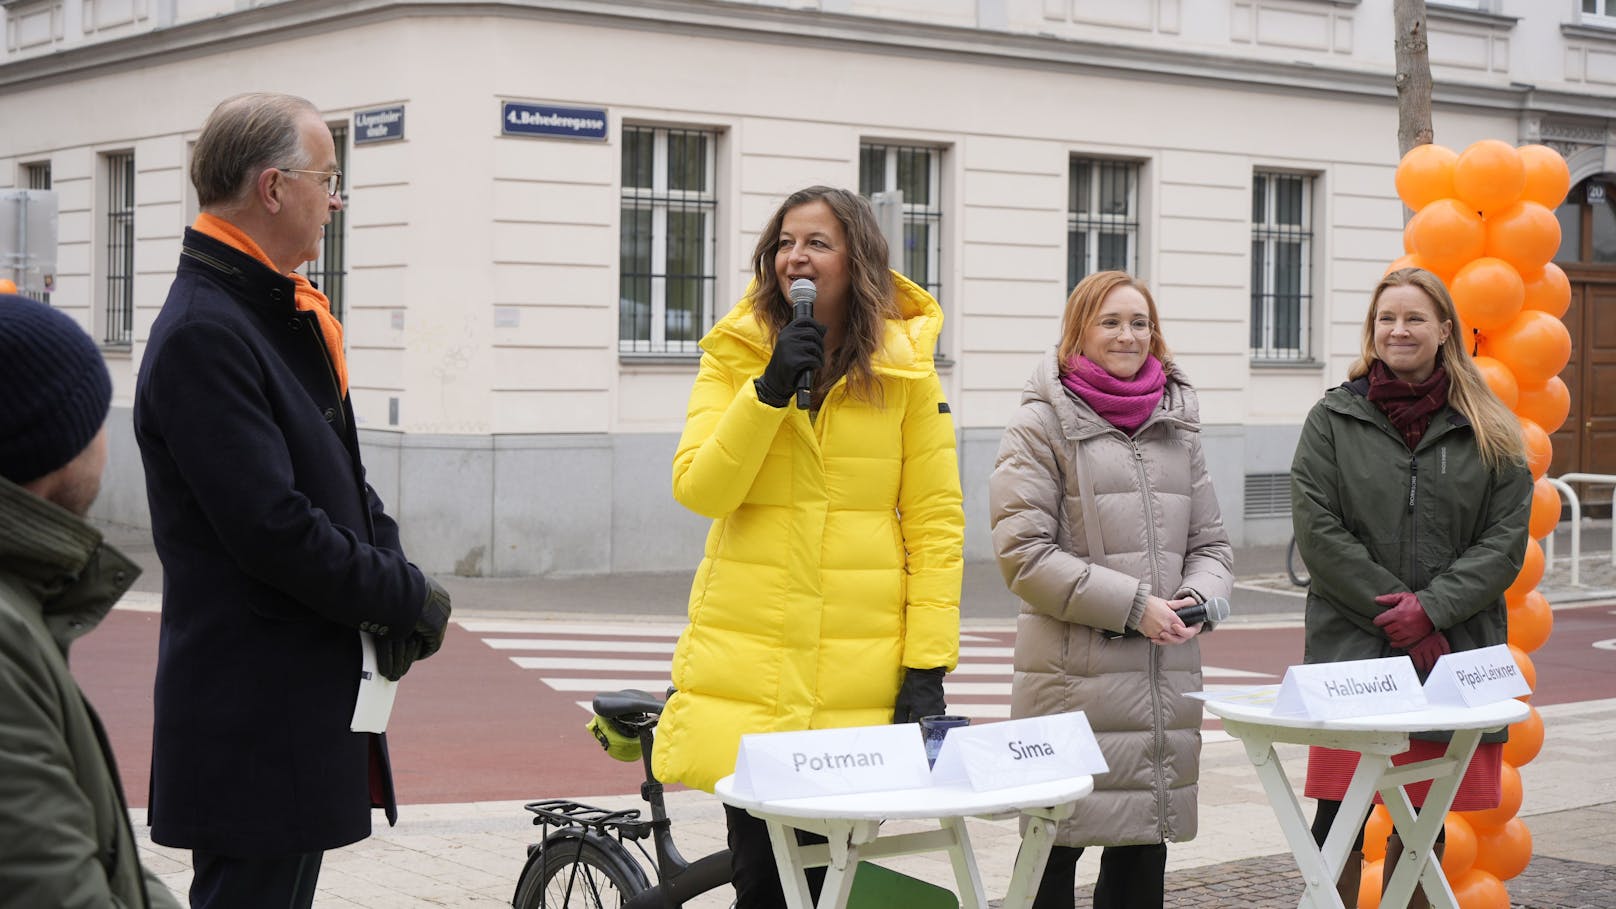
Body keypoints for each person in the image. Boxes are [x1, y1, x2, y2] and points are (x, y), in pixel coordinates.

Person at [134, 93, 451, 909]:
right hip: (252, 713)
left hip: (287, 702)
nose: (335, 201)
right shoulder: (209, 329)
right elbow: (273, 527)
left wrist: (394, 571)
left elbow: (338, 474)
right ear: (273, 188)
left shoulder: (270, 308)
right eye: (328, 180)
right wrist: (403, 595)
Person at [652, 185, 965, 907]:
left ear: (856, 259)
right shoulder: (734, 354)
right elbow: (700, 488)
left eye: (818, 242)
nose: (797, 254)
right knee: (764, 881)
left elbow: (936, 524)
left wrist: (926, 666)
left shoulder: (906, 372)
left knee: (831, 883)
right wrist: (763, 392)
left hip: (856, 680)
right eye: (786, 241)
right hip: (750, 674)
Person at [989, 270, 1233, 909]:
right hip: (1071, 678)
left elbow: (1210, 545)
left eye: (1140, 323)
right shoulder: (1039, 425)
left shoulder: (1177, 425)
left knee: (1141, 857)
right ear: (1079, 330)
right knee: (1052, 850)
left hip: (1161, 684)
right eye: (1111, 322)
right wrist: (1133, 607)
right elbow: (1024, 556)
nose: (1128, 336)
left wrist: (1201, 599)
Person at [1291, 266, 1530, 908]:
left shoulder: (1489, 427)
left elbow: (1505, 540)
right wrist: (1397, 614)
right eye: (1386, 318)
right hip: (1354, 652)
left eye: (1414, 318)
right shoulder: (1332, 418)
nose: (1399, 330)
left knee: (1422, 823)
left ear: (1444, 329)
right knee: (1336, 813)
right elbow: (1320, 532)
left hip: (1448, 652)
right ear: (1372, 330)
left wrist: (1432, 611)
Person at [0, 294, 182, 908]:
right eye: (96, 417)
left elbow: (101, 856)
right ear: (54, 449)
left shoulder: (23, 600)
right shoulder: (3, 643)